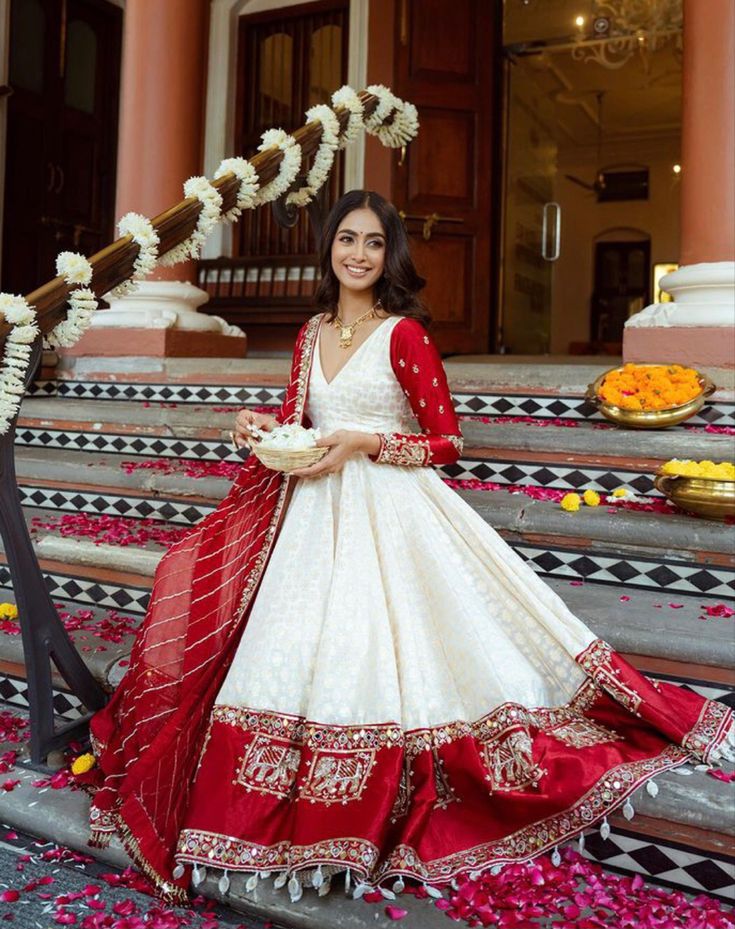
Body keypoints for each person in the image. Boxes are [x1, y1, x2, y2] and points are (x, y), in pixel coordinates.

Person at [86, 190, 734, 904]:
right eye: (347, 240)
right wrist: (256, 427)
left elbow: (447, 441)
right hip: (307, 517)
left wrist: (367, 441)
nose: (358, 254)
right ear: (328, 247)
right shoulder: (310, 332)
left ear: (388, 254)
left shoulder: (403, 334)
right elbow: (298, 421)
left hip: (390, 508)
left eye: (372, 242)